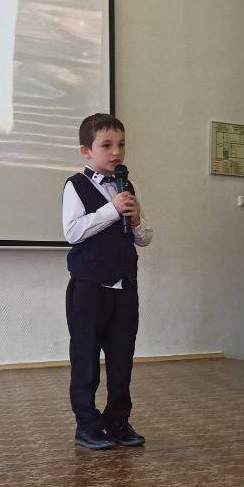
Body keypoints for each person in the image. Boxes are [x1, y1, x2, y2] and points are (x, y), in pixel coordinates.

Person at [62, 113, 153, 450]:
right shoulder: (75, 185)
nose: (116, 152)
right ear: (87, 150)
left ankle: (117, 421)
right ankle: (87, 425)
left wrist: (136, 219)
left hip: (125, 287)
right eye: (107, 145)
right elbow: (72, 232)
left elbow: (145, 238)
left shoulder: (128, 186)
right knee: (86, 358)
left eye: (121, 145)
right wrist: (111, 210)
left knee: (121, 357)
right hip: (89, 288)